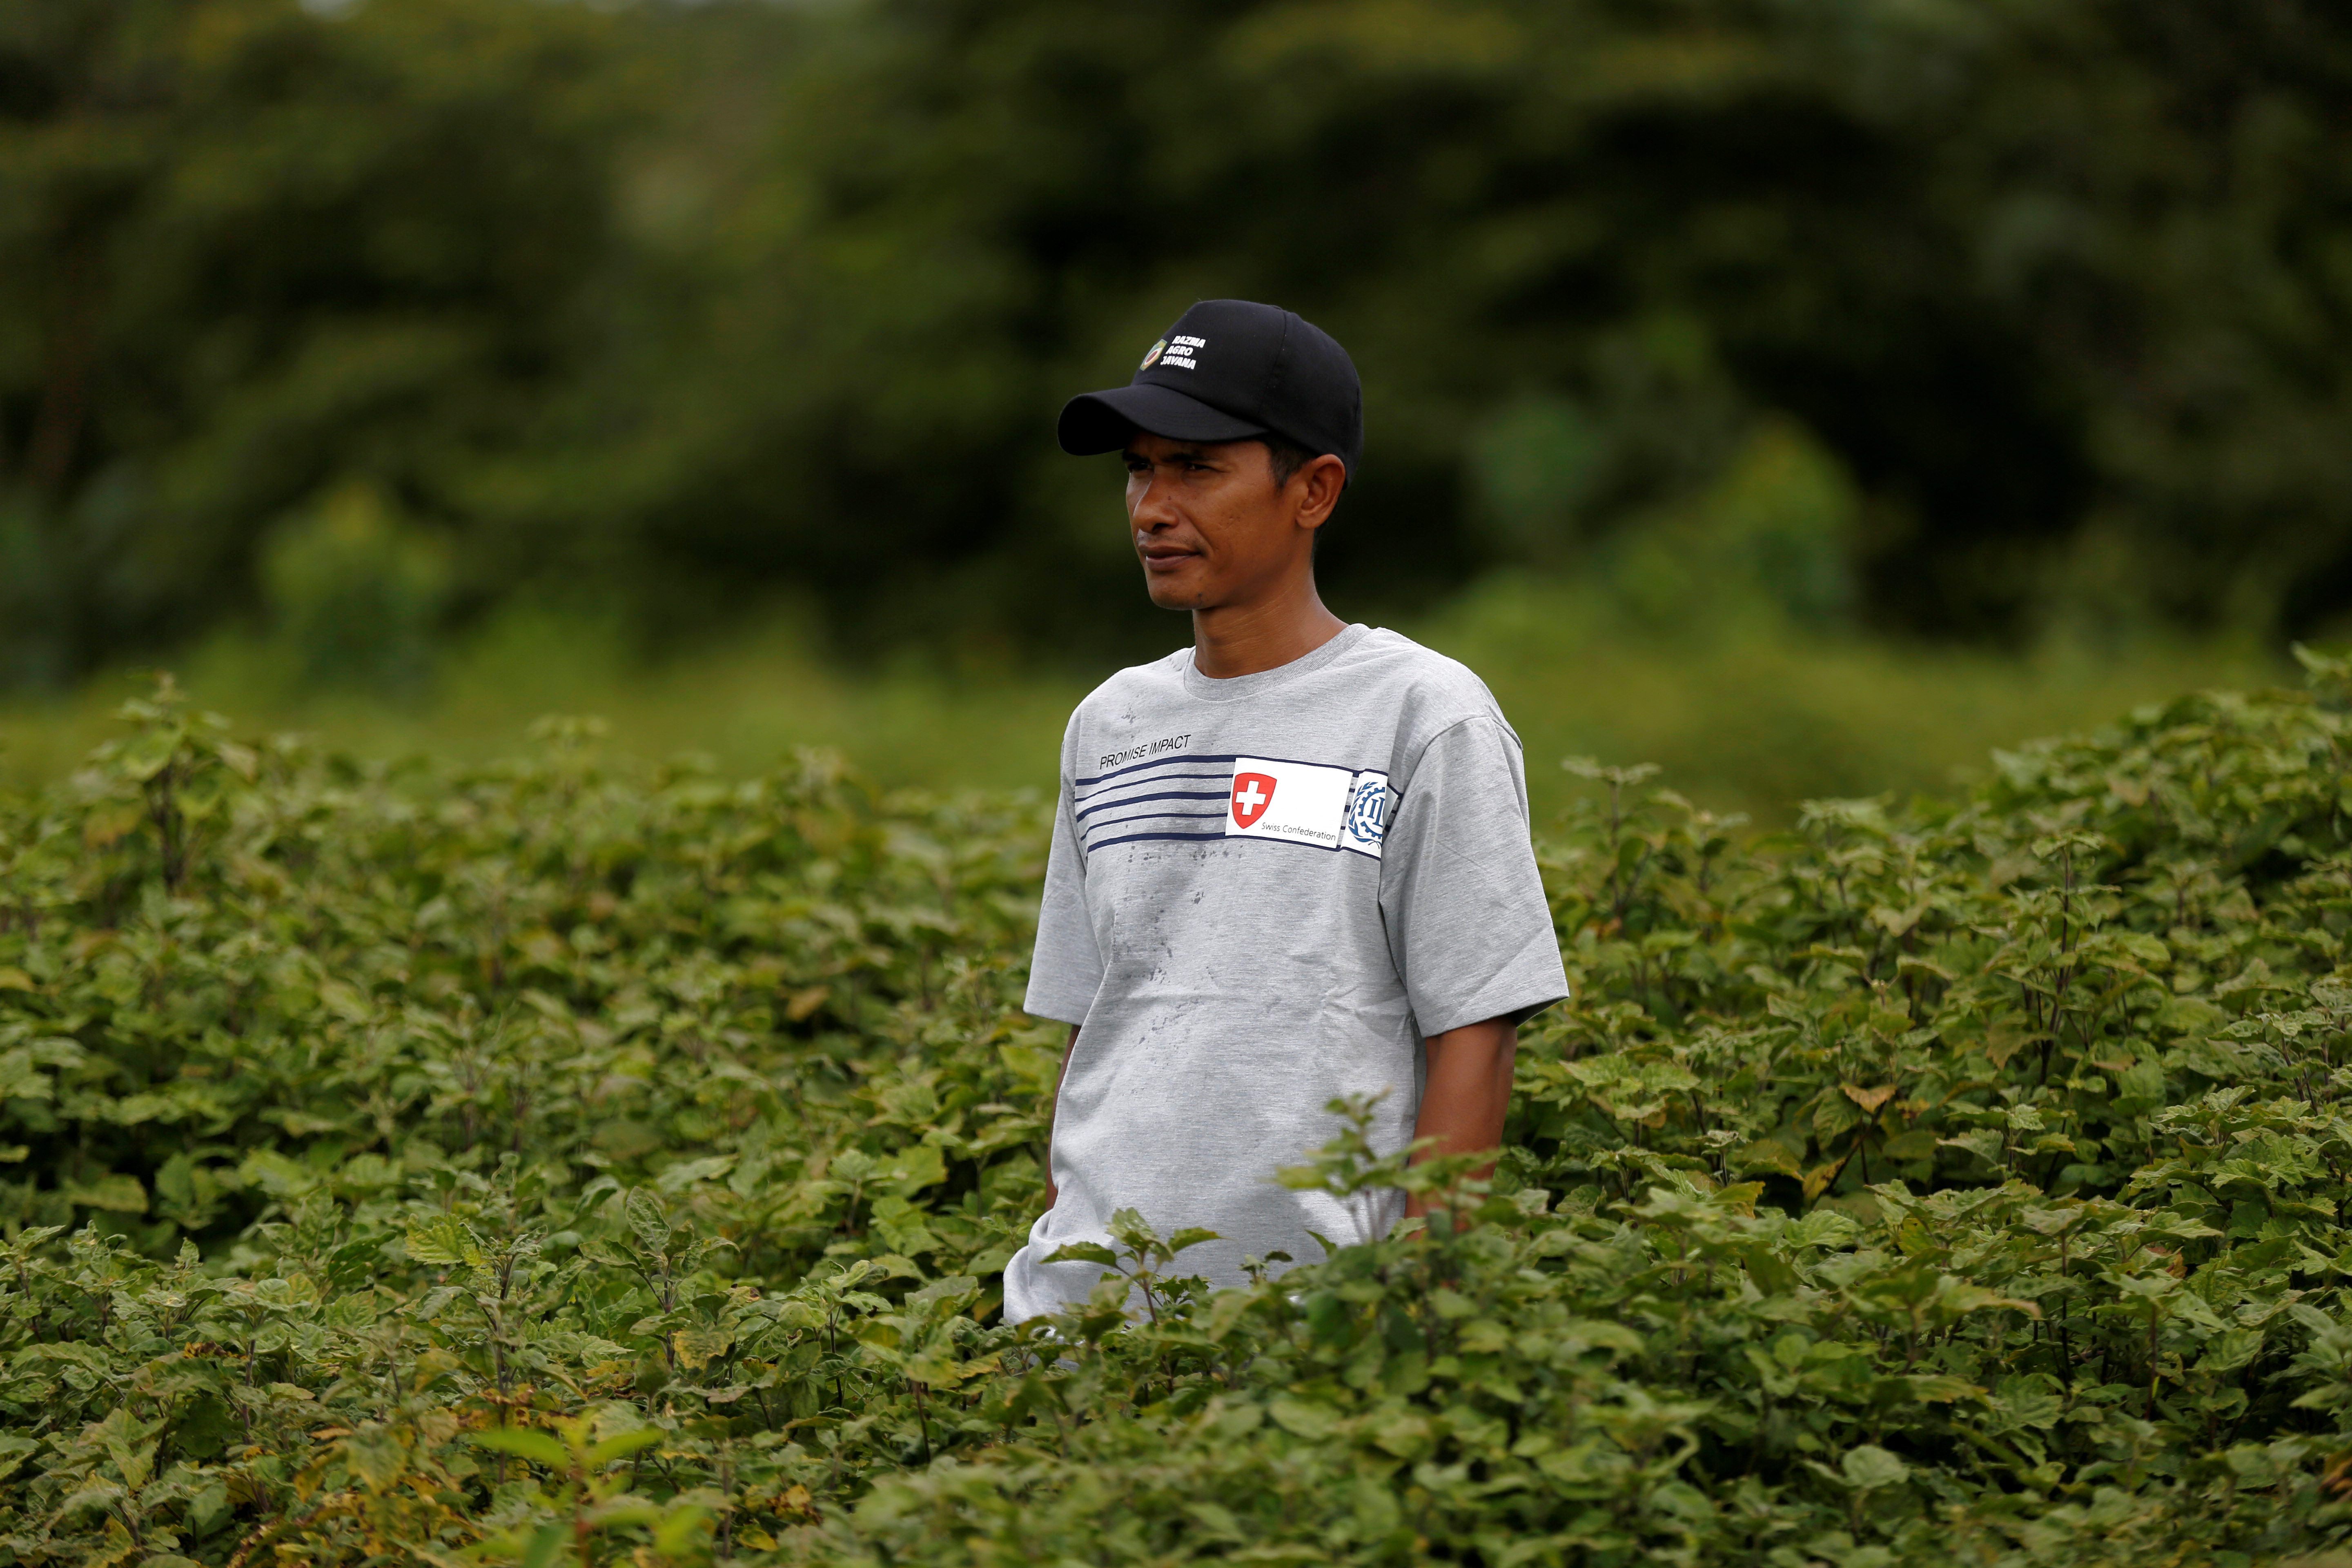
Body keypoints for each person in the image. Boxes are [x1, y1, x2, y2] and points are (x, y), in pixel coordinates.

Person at [1002, 298, 1569, 1320]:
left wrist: (1414, 1310)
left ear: (1314, 490)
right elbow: (1098, 1030)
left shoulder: (1421, 717)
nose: (1150, 508)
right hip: (1079, 1332)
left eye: (1197, 467)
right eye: (1139, 468)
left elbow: (1475, 1033)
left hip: (1311, 1334)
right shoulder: (1109, 725)